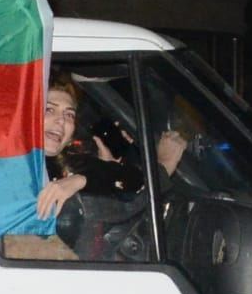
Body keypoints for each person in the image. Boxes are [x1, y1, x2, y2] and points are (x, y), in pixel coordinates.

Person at [36, 71, 186, 219]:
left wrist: (93, 176)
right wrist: (164, 165)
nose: (61, 120)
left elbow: (131, 181)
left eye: (69, 114)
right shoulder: (21, 173)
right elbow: (123, 210)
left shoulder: (70, 163)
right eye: (49, 109)